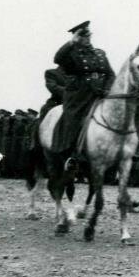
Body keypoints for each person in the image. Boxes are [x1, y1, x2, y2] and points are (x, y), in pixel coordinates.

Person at [52, 21, 116, 171]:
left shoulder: (100, 53)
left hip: (100, 94)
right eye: (82, 36)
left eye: (88, 35)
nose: (87, 38)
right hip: (79, 96)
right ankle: (73, 155)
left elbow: (110, 74)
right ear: (77, 37)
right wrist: (71, 42)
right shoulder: (72, 54)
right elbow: (57, 59)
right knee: (74, 120)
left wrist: (106, 89)